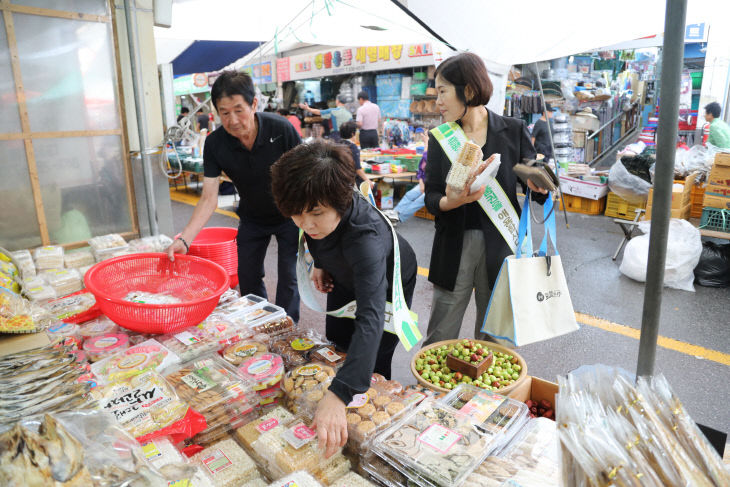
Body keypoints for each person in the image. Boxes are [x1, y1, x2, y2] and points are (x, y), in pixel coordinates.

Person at [270, 140, 417, 458]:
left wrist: (339, 395)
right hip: (342, 273)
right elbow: (311, 229)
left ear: (340, 201)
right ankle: (340, 410)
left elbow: (371, 317)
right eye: (296, 214)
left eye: (316, 214)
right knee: (336, 344)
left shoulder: (365, 238)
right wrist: (322, 263)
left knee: (373, 356)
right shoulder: (315, 208)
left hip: (388, 281)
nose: (306, 224)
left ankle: (375, 434)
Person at [423, 52, 548, 346]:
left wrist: (539, 184)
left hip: (501, 244)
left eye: (443, 92)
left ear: (467, 90)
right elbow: (431, 196)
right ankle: (431, 393)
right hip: (453, 243)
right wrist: (451, 202)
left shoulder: (513, 130)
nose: (437, 101)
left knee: (496, 337)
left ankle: (492, 394)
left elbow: (532, 181)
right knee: (441, 333)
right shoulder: (440, 136)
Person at [166, 71, 301, 322]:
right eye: (224, 112)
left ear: (253, 104)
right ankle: (260, 324)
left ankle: (287, 327)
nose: (233, 120)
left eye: (239, 110)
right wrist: (184, 240)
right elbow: (208, 198)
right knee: (248, 277)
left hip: (290, 216)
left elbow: (306, 177)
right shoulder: (215, 144)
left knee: (289, 277)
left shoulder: (281, 129)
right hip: (252, 217)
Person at [383, 151, 427, 225]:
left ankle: (398, 218)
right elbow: (420, 171)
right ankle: (395, 212)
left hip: (436, 186)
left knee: (420, 200)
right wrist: (422, 183)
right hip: (424, 182)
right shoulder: (426, 154)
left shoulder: (442, 158)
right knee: (410, 194)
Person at [339, 120, 373, 190]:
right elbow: (358, 169)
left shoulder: (337, 144)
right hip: (350, 179)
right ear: (352, 134)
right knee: (373, 186)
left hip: (339, 177)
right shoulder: (352, 147)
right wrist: (368, 180)